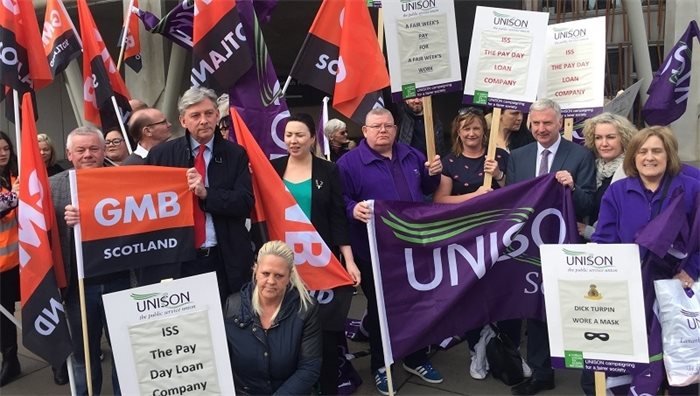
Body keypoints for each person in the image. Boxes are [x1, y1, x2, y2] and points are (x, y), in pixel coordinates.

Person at [337, 108, 444, 395]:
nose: (382, 130)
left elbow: (426, 187)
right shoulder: (348, 164)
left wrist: (433, 175)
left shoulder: (412, 155)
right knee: (382, 308)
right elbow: (340, 200)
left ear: (395, 129)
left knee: (417, 302)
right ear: (365, 131)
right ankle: (381, 365)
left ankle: (415, 357)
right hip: (372, 250)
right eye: (376, 126)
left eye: (388, 125)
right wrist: (352, 208)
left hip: (411, 247)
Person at [593, 126, 700, 395]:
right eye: (642, 151)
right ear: (633, 156)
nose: (649, 157)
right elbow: (605, 241)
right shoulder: (617, 192)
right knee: (637, 366)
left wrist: (691, 269)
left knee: (680, 374)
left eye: (656, 151)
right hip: (634, 294)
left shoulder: (691, 188)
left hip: (679, 292)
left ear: (669, 155)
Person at [506, 98, 595, 395]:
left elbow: (589, 204)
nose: (541, 129)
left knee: (575, 308)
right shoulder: (517, 157)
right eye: (536, 123)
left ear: (559, 123)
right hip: (529, 249)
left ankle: (588, 376)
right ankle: (541, 374)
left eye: (547, 123)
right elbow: (510, 203)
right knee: (535, 309)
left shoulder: (580, 156)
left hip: (566, 246)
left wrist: (573, 187)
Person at [433, 108, 528, 380]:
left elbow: (520, 191)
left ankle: (509, 349)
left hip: (503, 238)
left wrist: (499, 175)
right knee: (473, 294)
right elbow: (440, 200)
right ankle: (477, 348)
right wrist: (475, 196)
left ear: (484, 131)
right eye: (466, 129)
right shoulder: (449, 162)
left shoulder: (499, 157)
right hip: (467, 240)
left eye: (476, 128)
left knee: (507, 291)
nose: (471, 133)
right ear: (458, 133)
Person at [271, 114, 361, 395]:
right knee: (288, 329)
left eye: (299, 135)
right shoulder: (272, 168)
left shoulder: (327, 170)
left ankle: (329, 386)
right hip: (285, 264)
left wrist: (348, 260)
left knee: (325, 331)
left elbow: (337, 217)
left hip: (321, 262)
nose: (293, 141)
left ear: (312, 138)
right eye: (288, 135)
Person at [142, 87, 254, 302]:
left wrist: (207, 194)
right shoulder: (161, 155)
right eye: (195, 115)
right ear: (183, 121)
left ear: (217, 115)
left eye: (209, 113)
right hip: (178, 260)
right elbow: (145, 206)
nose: (204, 120)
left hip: (223, 257)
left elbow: (244, 202)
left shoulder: (235, 154)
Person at [50, 126, 130, 395]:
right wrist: (64, 221)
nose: (88, 155)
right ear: (69, 154)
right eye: (81, 150)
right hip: (79, 288)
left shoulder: (126, 179)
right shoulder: (53, 186)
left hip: (121, 281)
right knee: (84, 352)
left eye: (94, 148)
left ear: (103, 150)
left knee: (124, 348)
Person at [224, 240, 321, 395]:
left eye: (279, 276)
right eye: (265, 273)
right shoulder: (232, 306)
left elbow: (309, 367)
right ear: (255, 270)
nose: (271, 281)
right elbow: (222, 362)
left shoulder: (306, 309)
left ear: (289, 276)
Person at [577, 112, 636, 241]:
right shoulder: (591, 167)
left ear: (624, 138)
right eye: (598, 137)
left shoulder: (632, 171)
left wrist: (590, 232)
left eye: (610, 137)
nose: (603, 143)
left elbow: (629, 219)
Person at [0, 132, 20, 387]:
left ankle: (59, 360)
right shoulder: (15, 185)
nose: (2, 152)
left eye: (6, 148)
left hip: (30, 258)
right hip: (3, 263)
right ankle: (10, 360)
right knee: (5, 316)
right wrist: (14, 196)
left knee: (45, 308)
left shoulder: (20, 173)